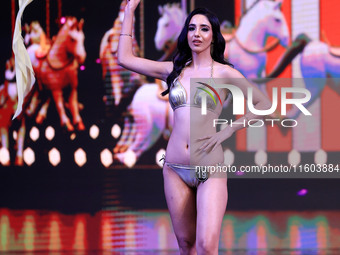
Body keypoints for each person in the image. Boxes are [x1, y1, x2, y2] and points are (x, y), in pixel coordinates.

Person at [117, 0, 271, 253]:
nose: (196, 34)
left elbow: (264, 105)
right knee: (186, 245)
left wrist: (228, 130)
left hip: (209, 167)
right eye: (191, 28)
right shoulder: (173, 71)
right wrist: (129, 11)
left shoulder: (224, 74)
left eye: (204, 29)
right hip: (174, 169)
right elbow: (125, 59)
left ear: (214, 36)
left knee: (206, 246)